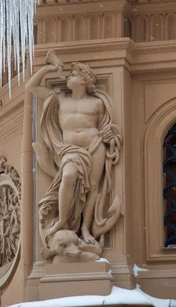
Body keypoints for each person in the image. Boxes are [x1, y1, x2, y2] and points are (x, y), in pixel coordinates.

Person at [26, 51, 122, 247]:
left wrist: (109, 135)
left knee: (94, 188)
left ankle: (85, 228)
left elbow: (106, 126)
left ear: (84, 79)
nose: (68, 77)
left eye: (73, 75)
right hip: (70, 149)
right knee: (69, 176)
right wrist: (49, 68)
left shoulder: (97, 102)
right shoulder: (60, 98)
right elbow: (31, 86)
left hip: (94, 145)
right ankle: (62, 220)